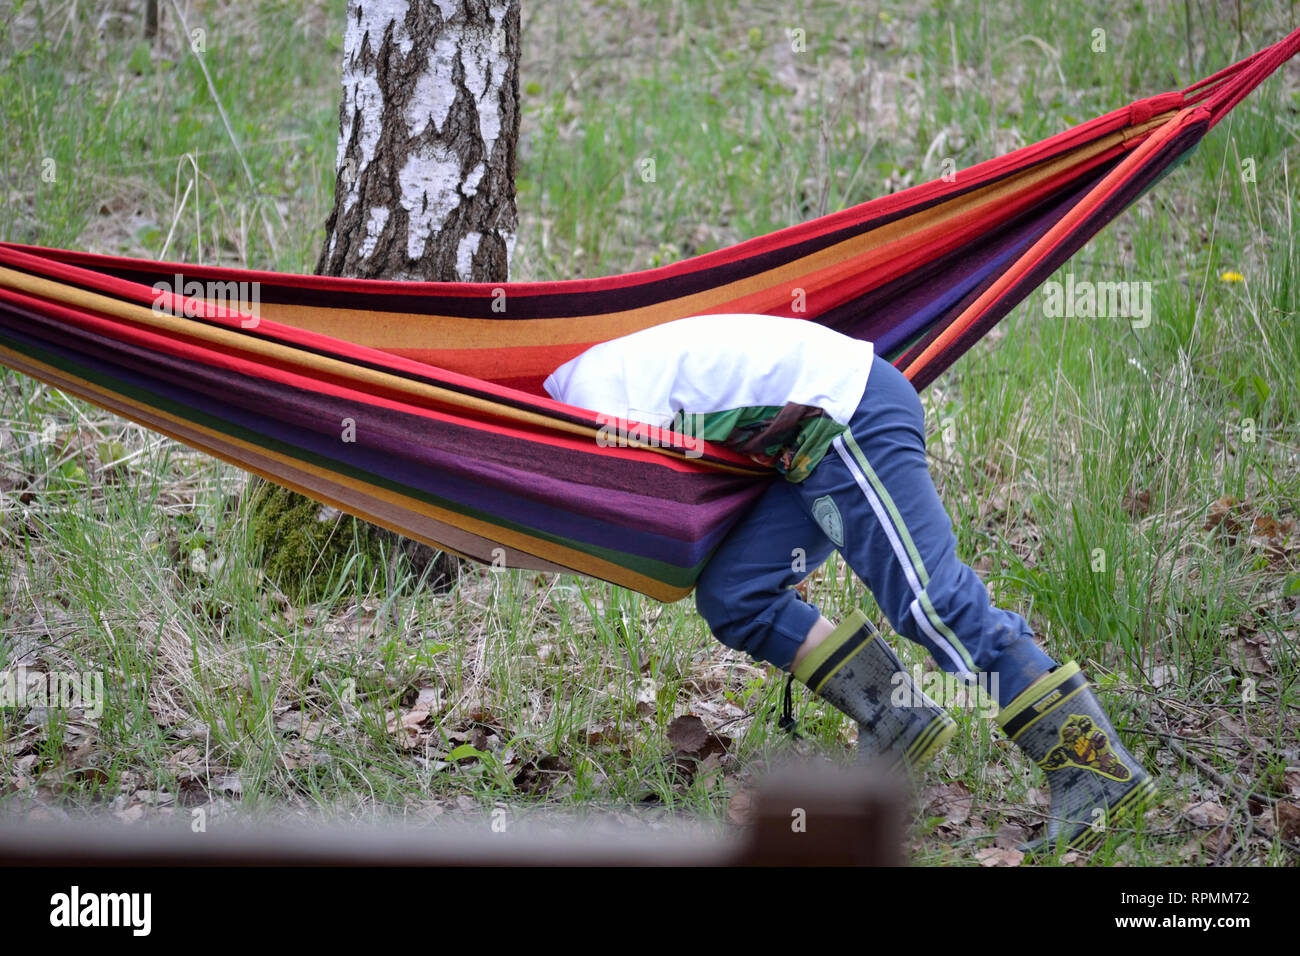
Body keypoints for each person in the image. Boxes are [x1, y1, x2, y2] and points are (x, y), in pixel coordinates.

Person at [543, 312, 1157, 852]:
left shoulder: (590, 405)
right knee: (737, 596)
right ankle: (899, 720)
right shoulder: (584, 386)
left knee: (928, 602)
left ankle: (1093, 769)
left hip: (847, 417)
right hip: (796, 451)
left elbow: (658, 522)